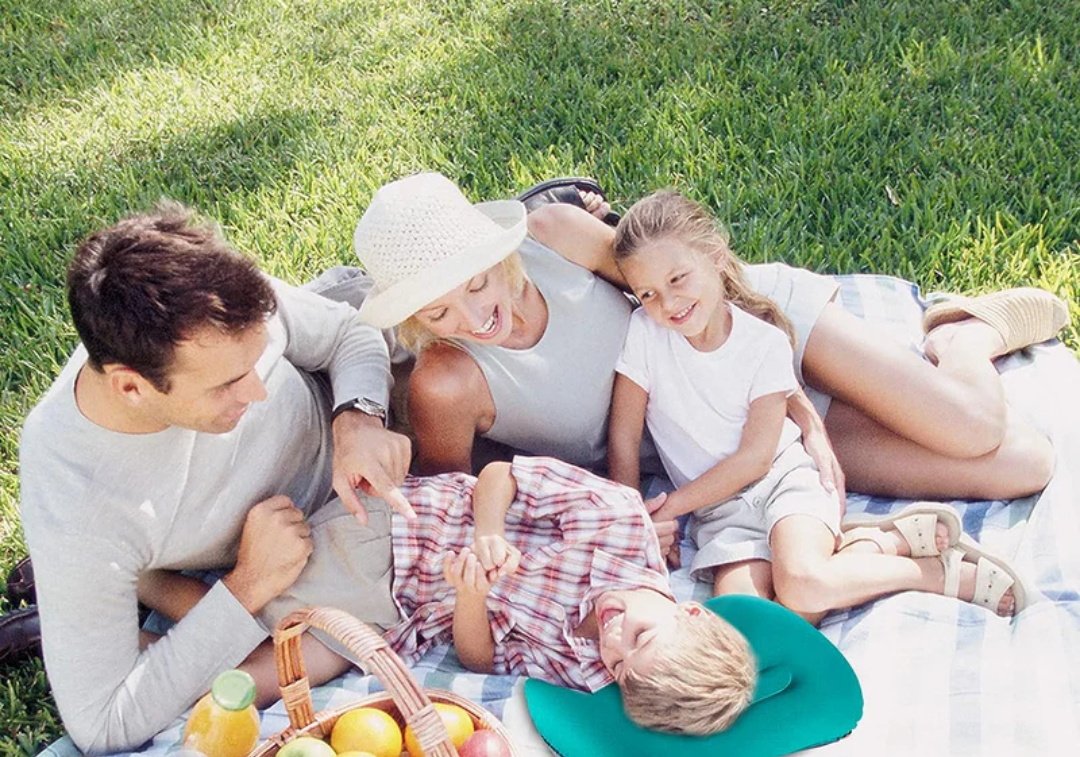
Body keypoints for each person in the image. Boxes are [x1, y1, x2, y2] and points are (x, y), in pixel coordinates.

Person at [354, 172, 1065, 505]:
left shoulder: (555, 234)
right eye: (439, 314)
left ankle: (963, 337)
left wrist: (791, 392)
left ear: (498, 253)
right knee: (1021, 463)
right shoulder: (446, 383)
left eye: (478, 285)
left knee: (971, 426)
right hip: (718, 429)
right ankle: (957, 345)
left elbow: (670, 283)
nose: (475, 320)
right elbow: (463, 497)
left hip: (753, 326)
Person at [18, 202, 414, 755]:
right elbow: (102, 723)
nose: (258, 392)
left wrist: (357, 417)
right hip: (315, 545)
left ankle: (127, 592)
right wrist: (250, 582)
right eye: (229, 384)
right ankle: (94, 607)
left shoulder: (216, 314)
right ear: (131, 388)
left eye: (258, 361)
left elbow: (349, 334)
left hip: (367, 427)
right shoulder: (81, 502)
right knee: (328, 638)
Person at [606, 191, 1030, 622]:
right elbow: (624, 440)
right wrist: (634, 519)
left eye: (678, 279)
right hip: (720, 513)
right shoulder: (645, 333)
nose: (668, 303)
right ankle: (873, 544)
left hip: (784, 481)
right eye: (648, 293)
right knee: (749, 626)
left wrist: (669, 507)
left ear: (714, 255)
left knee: (804, 587)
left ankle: (925, 571)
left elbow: (756, 458)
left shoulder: (763, 342)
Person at [148, 456, 759, 737]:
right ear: (690, 607)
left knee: (279, 676)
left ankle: (149, 653)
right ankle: (135, 580)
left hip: (403, 612)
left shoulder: (591, 667)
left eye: (622, 664)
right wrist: (488, 535)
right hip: (400, 536)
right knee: (266, 626)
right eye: (641, 637)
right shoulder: (616, 520)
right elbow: (499, 477)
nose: (614, 639)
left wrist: (472, 596)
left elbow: (480, 660)